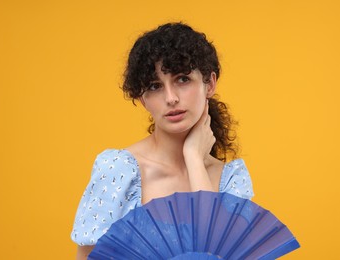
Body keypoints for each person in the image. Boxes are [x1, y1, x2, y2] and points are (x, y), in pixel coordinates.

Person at [71, 22, 254, 259]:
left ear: (210, 83)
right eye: (155, 86)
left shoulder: (231, 180)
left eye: (182, 79)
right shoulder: (119, 171)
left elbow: (214, 252)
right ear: (143, 99)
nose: (170, 98)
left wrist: (194, 159)